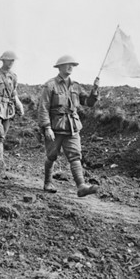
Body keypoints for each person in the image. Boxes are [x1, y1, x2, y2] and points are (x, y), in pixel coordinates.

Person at [38, 55, 100, 197]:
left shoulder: (75, 86)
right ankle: (48, 182)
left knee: (75, 156)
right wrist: (47, 127)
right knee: (51, 155)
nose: (70, 67)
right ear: (59, 67)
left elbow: (88, 102)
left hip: (72, 127)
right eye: (67, 64)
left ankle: (81, 186)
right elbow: (43, 108)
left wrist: (94, 91)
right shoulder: (50, 85)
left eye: (72, 65)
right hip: (55, 127)